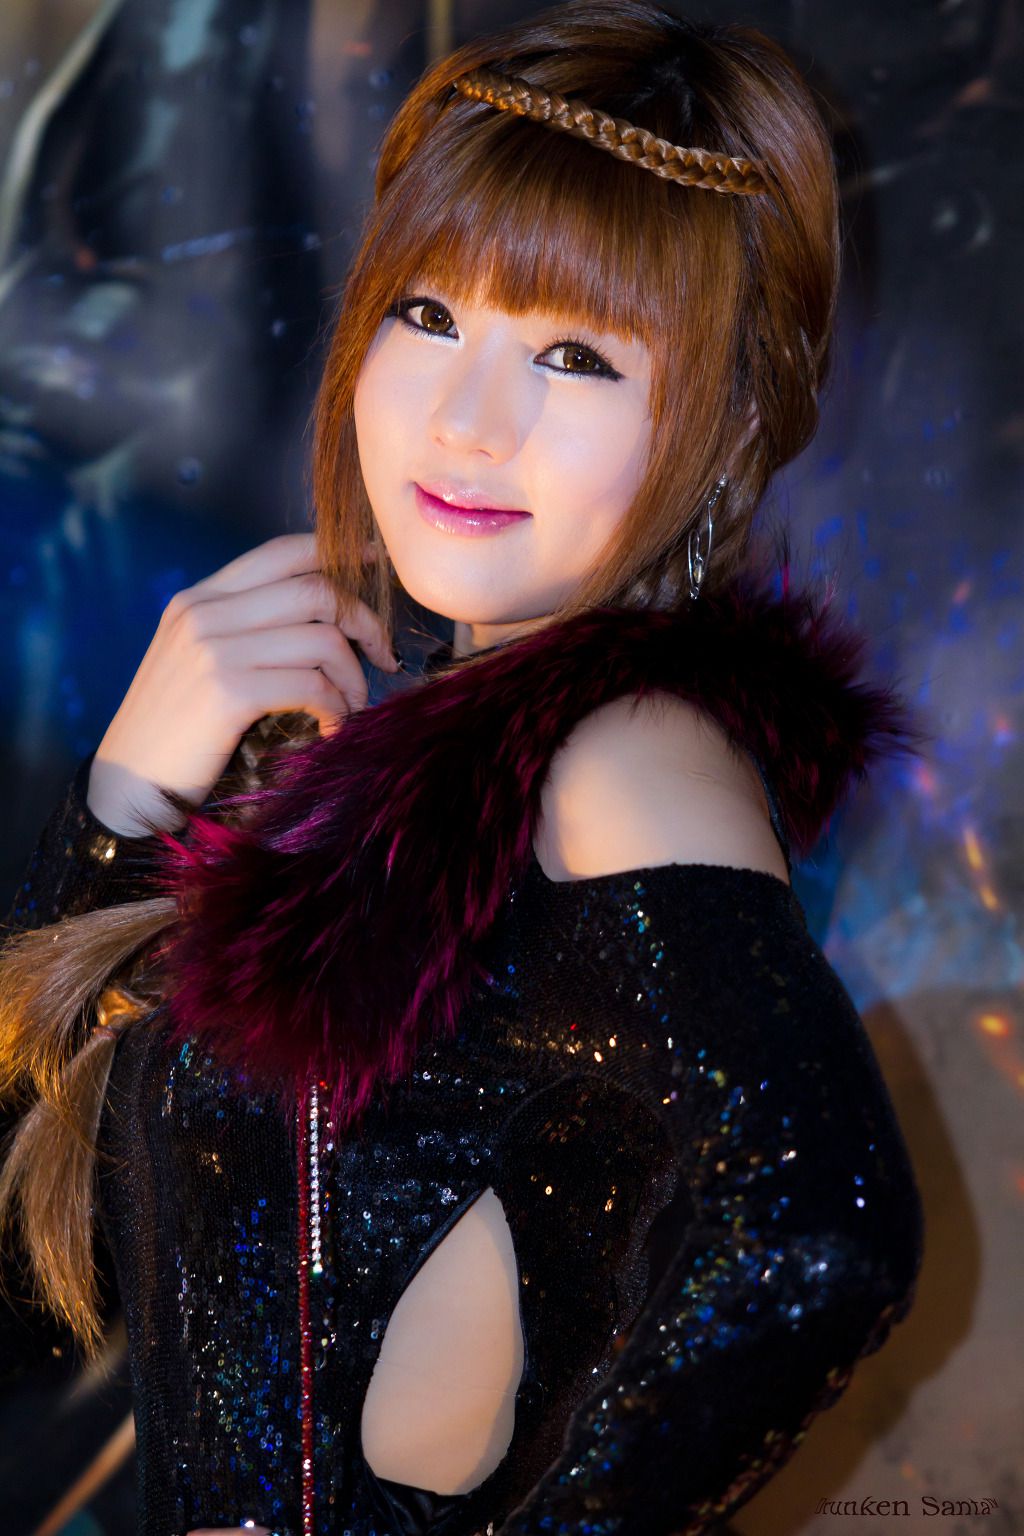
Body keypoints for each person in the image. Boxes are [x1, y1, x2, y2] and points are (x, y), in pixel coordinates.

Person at [0, 3, 928, 1534]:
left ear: (729, 424)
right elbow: (46, 1281)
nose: (468, 420)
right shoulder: (361, 746)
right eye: (427, 314)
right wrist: (124, 808)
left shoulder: (625, 751)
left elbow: (821, 1235)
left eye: (573, 354)